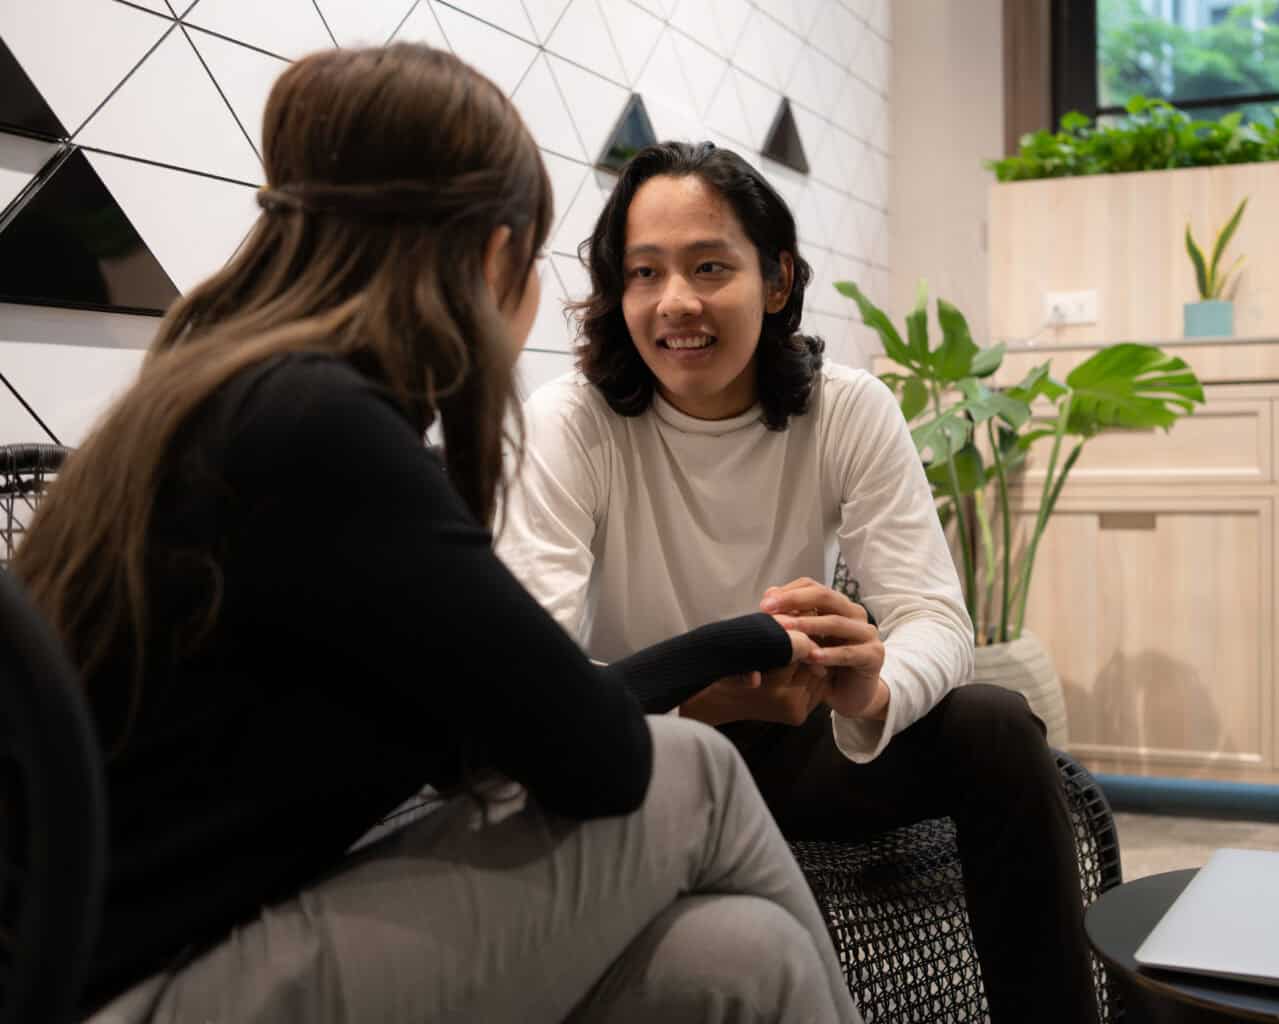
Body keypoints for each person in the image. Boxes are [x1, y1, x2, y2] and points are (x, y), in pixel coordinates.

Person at [14, 48, 862, 1024]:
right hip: (133, 990)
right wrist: (744, 646)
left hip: (152, 958)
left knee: (737, 957)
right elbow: (595, 753)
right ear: (498, 256)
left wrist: (739, 645)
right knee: (699, 773)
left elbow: (502, 724)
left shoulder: (229, 398)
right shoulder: (319, 431)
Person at [501, 140, 1100, 1022]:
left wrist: (872, 686)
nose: (677, 304)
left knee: (997, 727)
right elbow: (529, 687)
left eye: (710, 267)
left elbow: (934, 614)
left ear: (777, 281)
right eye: (643, 273)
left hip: (805, 741)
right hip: (647, 757)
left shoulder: (845, 408)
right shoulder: (571, 425)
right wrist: (710, 704)